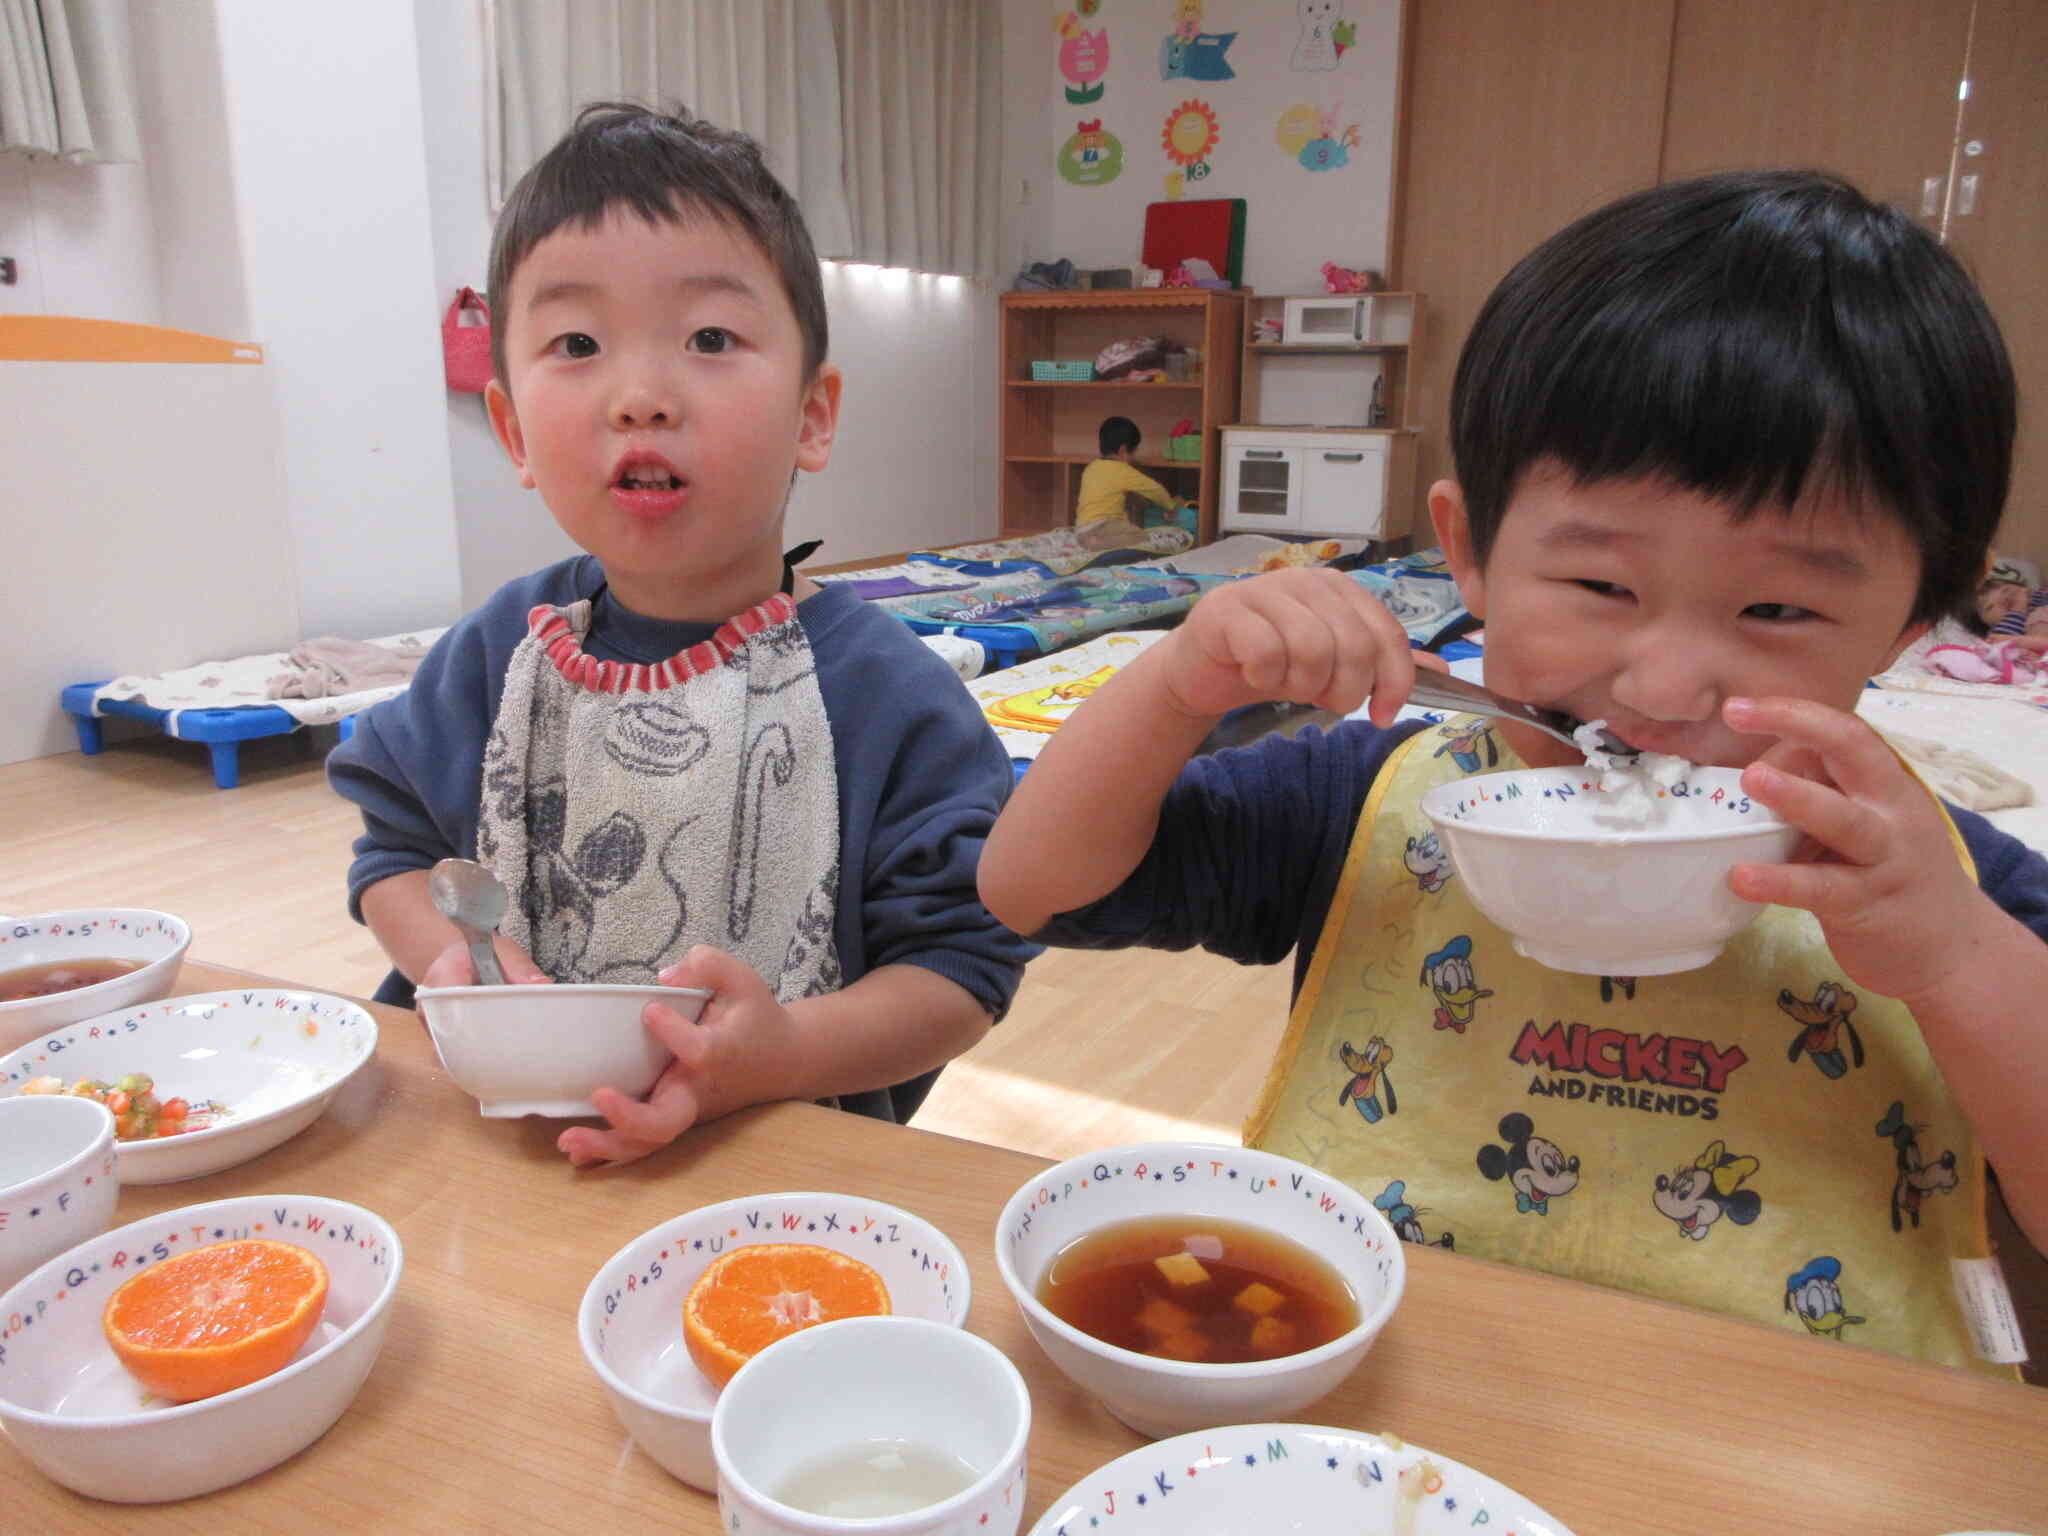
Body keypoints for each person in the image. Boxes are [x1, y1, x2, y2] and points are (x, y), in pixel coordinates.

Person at [979, 170, 2047, 1374]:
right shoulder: (1369, 800)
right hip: (1380, 1406)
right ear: (1466, 553)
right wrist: (1178, 684)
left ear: (1909, 630)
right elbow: (1032, 890)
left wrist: (1954, 955)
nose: (1659, 688)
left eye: (1779, 607)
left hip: (1794, 1454)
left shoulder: (1935, 881)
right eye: (1599, 586)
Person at [330, 103, 1037, 1166]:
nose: (641, 396)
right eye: (577, 343)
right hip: (491, 1154)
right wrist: (449, 963)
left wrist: (783, 1051)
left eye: (709, 338)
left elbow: (961, 968)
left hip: (767, 1170)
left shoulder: (883, 696)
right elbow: (395, 855)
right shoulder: (500, 653)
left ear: (812, 415)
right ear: (515, 431)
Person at [1074, 416, 1185, 550]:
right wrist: (1170, 507)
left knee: (1123, 527)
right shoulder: (1123, 470)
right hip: (1103, 526)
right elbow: (1155, 489)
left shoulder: (1092, 467)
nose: (1133, 458)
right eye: (1133, 453)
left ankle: (1093, 542)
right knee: (1141, 537)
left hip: (1081, 530)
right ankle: (1097, 544)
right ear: (1123, 451)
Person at [1971, 563, 2048, 654]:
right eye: (1989, 607)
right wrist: (2018, 611)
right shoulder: (2000, 633)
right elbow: (2004, 646)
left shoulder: (2041, 595)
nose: (2003, 598)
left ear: (2023, 587)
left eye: (2005, 589)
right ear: (1986, 625)